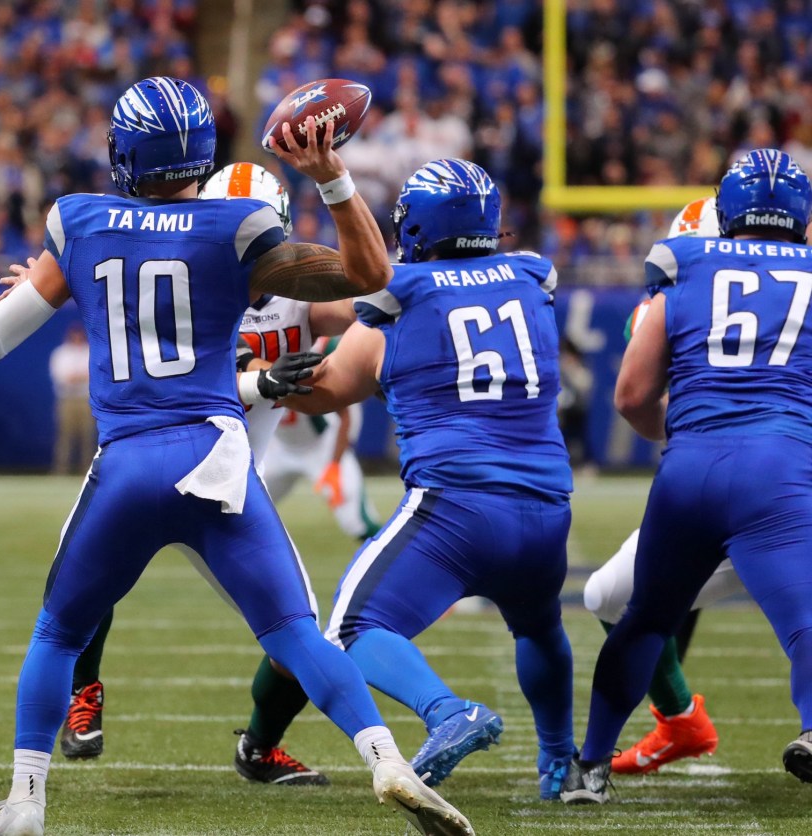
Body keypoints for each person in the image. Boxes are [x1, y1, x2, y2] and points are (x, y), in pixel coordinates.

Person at [0, 78, 472, 836]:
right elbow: (371, 276)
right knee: (296, 633)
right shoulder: (235, 227)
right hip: (217, 460)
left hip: (128, 461)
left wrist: (55, 283)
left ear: (125, 152)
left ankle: (25, 801)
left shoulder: (78, 221)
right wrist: (331, 176)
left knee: (59, 634)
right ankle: (388, 761)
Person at [264, 159, 577, 800]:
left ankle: (446, 711)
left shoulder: (399, 296)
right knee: (540, 627)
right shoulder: (533, 276)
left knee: (351, 628)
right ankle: (560, 764)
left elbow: (325, 390)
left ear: (417, 226)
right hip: (547, 506)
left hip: (456, 508)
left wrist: (256, 364)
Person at [54, 161, 358, 790]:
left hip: (229, 489)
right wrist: (37, 286)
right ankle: (84, 692)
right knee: (78, 586)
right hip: (148, 454)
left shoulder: (297, 293)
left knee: (301, 645)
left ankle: (259, 746)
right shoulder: (179, 280)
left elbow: (372, 303)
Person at [562, 149, 812, 804]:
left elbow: (630, 396)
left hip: (692, 470)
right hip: (782, 474)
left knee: (642, 618)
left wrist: (692, 432)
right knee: (805, 622)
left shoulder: (684, 262)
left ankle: (590, 767)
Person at [582, 197, 727, 776]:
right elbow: (635, 395)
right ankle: (679, 721)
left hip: (789, 491)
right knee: (608, 594)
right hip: (713, 490)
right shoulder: (667, 307)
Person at [261, 337, 382, 544]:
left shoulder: (322, 347)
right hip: (277, 446)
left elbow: (347, 413)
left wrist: (335, 464)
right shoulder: (253, 344)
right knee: (239, 509)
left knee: (356, 521)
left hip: (323, 448)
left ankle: (396, 558)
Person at [48, 322, 95, 475]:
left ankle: (87, 470)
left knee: (87, 436)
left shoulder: (90, 351)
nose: (76, 338)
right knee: (65, 435)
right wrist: (79, 376)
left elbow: (92, 375)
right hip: (67, 399)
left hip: (85, 399)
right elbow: (63, 377)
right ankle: (61, 469)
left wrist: (77, 377)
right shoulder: (61, 353)